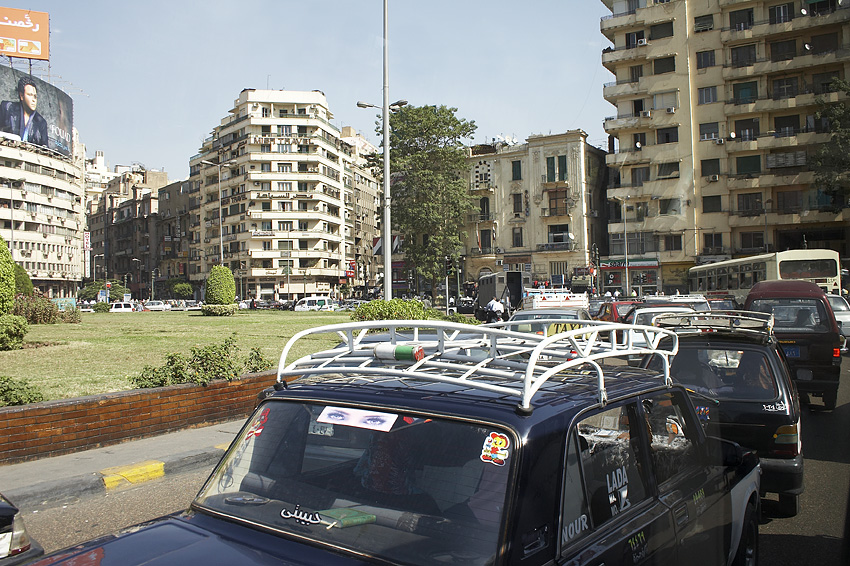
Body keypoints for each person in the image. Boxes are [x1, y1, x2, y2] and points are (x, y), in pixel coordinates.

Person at [0, 76, 48, 147]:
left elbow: (45, 148)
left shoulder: (41, 122)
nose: (33, 100)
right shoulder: (7, 108)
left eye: (35, 96)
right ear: (21, 96)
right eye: (30, 95)